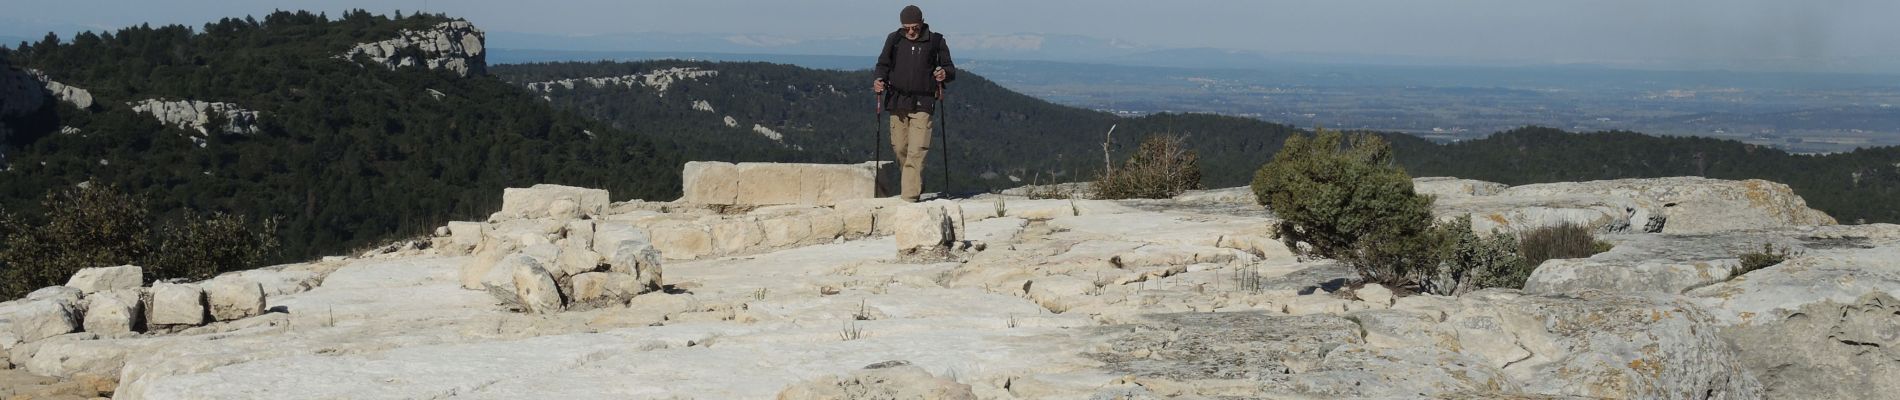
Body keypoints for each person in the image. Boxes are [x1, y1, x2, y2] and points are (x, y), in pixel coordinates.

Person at [874, 5, 955, 203]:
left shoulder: (936, 41)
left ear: (922, 23)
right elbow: (883, 65)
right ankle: (915, 181)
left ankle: (909, 198)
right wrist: (878, 80)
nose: (911, 31)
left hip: (924, 102)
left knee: (917, 149)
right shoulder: (894, 39)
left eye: (914, 27)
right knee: (900, 148)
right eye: (907, 27)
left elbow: (950, 69)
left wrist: (945, 74)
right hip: (897, 101)